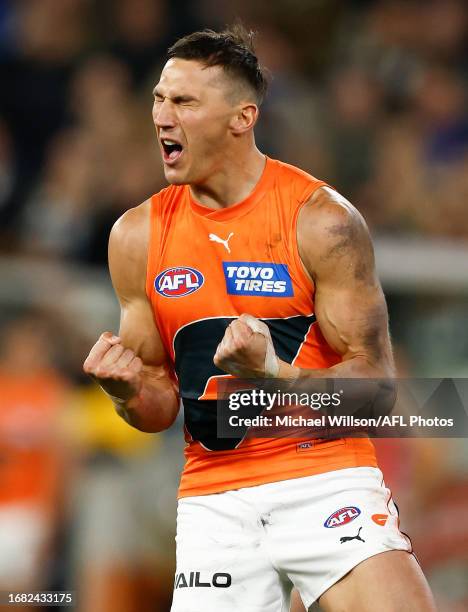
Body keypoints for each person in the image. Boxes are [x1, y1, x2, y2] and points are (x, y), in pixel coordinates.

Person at [83, 25, 436, 612]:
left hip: (324, 477)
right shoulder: (137, 236)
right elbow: (160, 408)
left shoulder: (321, 221)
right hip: (214, 500)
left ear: (241, 118)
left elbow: (377, 390)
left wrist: (276, 375)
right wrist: (125, 390)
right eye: (158, 98)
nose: (161, 116)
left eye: (184, 102)